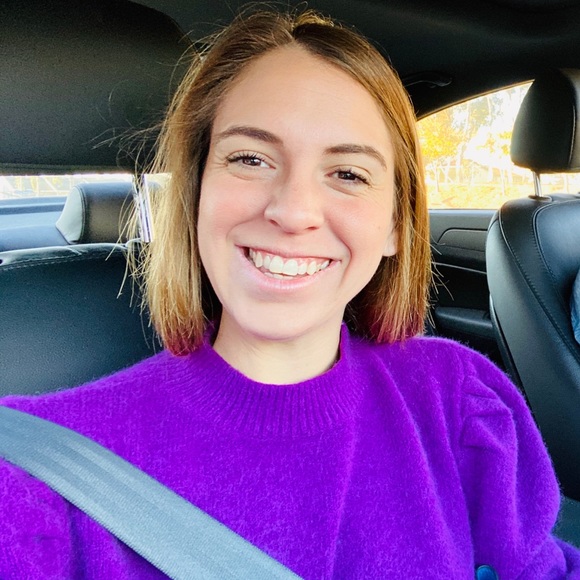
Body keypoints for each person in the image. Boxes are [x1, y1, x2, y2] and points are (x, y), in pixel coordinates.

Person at [1, 8, 579, 579]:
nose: (294, 211)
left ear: (396, 225)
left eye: (348, 174)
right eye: (250, 159)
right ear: (196, 194)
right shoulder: (32, 477)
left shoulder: (461, 400)